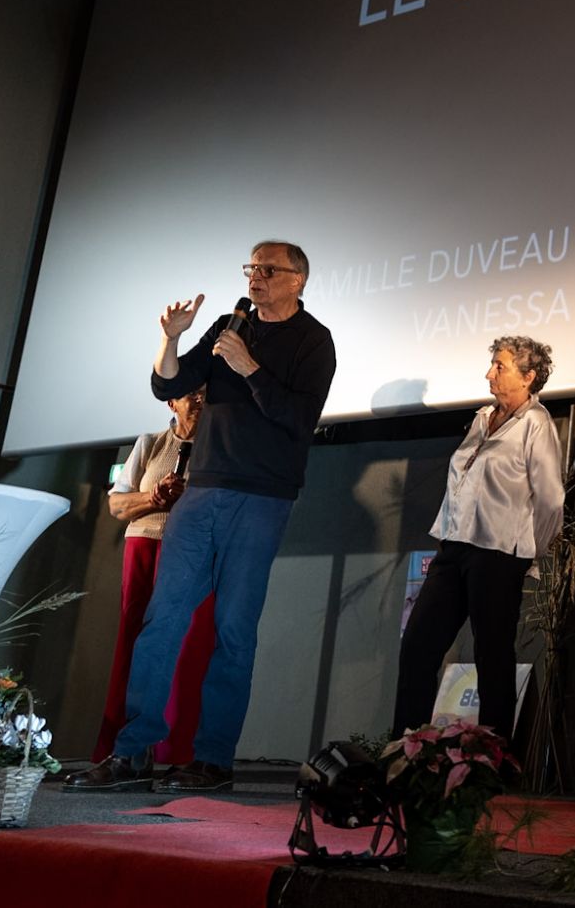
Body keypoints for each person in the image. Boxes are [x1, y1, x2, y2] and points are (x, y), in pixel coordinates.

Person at [70, 240, 336, 793]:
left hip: (261, 497)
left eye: (268, 269)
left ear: (297, 280)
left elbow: (298, 418)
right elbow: (167, 384)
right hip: (202, 490)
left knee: (233, 629)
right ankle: (132, 752)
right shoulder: (228, 324)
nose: (255, 277)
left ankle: (213, 760)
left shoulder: (314, 340)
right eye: (251, 268)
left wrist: (249, 368)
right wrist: (170, 339)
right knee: (161, 620)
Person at [392, 336, 565, 740]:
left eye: (500, 367)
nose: (489, 374)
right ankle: (406, 748)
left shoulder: (536, 423)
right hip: (454, 548)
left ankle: (495, 757)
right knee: (417, 645)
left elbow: (551, 500)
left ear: (528, 376)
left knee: (492, 657)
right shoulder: (483, 417)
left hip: (498, 554)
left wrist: (528, 552)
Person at [93, 390, 218, 764]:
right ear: (171, 403)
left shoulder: (221, 447)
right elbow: (117, 504)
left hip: (192, 551)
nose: (200, 400)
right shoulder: (150, 443)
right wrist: (154, 498)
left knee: (189, 646)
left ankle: (176, 752)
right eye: (191, 394)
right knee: (133, 642)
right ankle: (122, 749)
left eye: (206, 394)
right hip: (144, 547)